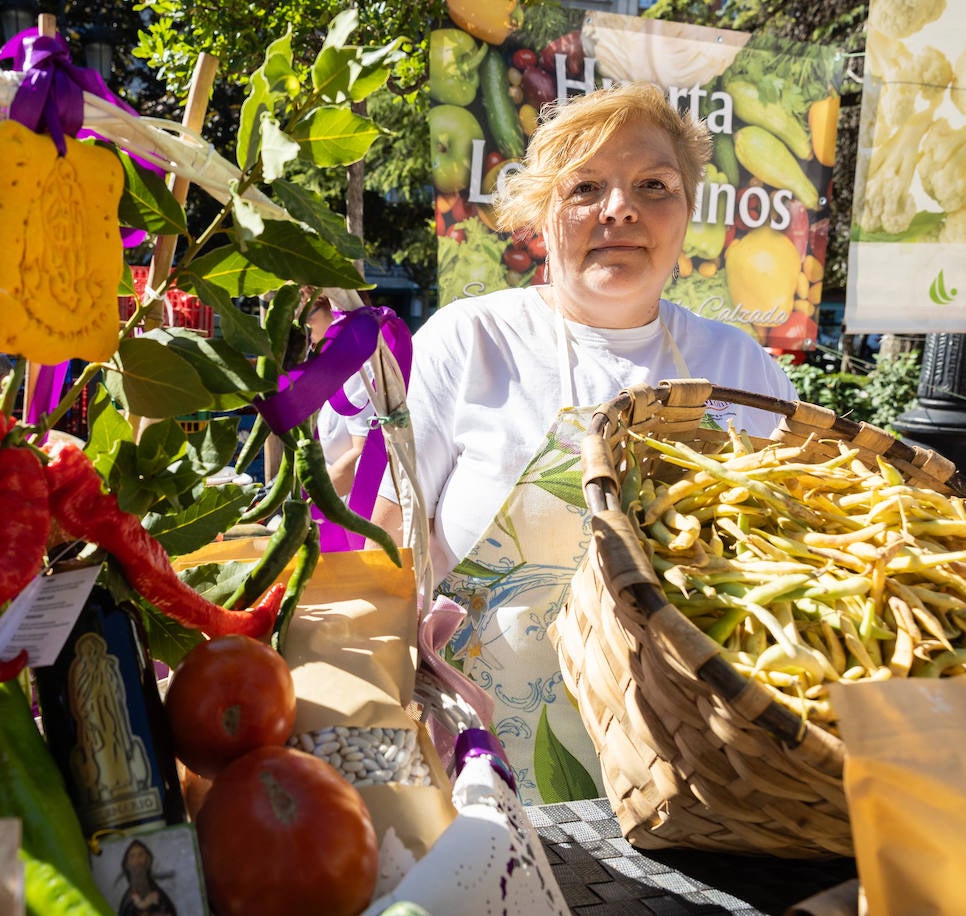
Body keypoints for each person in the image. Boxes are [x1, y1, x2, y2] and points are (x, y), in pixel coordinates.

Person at [371, 83, 797, 804]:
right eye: (587, 187)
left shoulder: (740, 369)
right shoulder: (471, 341)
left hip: (692, 782)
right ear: (543, 213)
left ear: (687, 212)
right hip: (479, 772)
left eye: (652, 185)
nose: (620, 209)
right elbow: (379, 550)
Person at [306, 290, 377, 501]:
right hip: (335, 506)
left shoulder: (364, 368)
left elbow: (363, 457)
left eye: (309, 317)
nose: (305, 327)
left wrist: (308, 503)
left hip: (352, 513)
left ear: (336, 311)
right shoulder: (338, 364)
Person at [116, 839, 177, 916]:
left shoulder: (157, 893)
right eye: (132, 856)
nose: (137, 860)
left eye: (140, 855)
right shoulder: (128, 899)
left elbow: (168, 911)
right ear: (127, 864)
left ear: (147, 860)